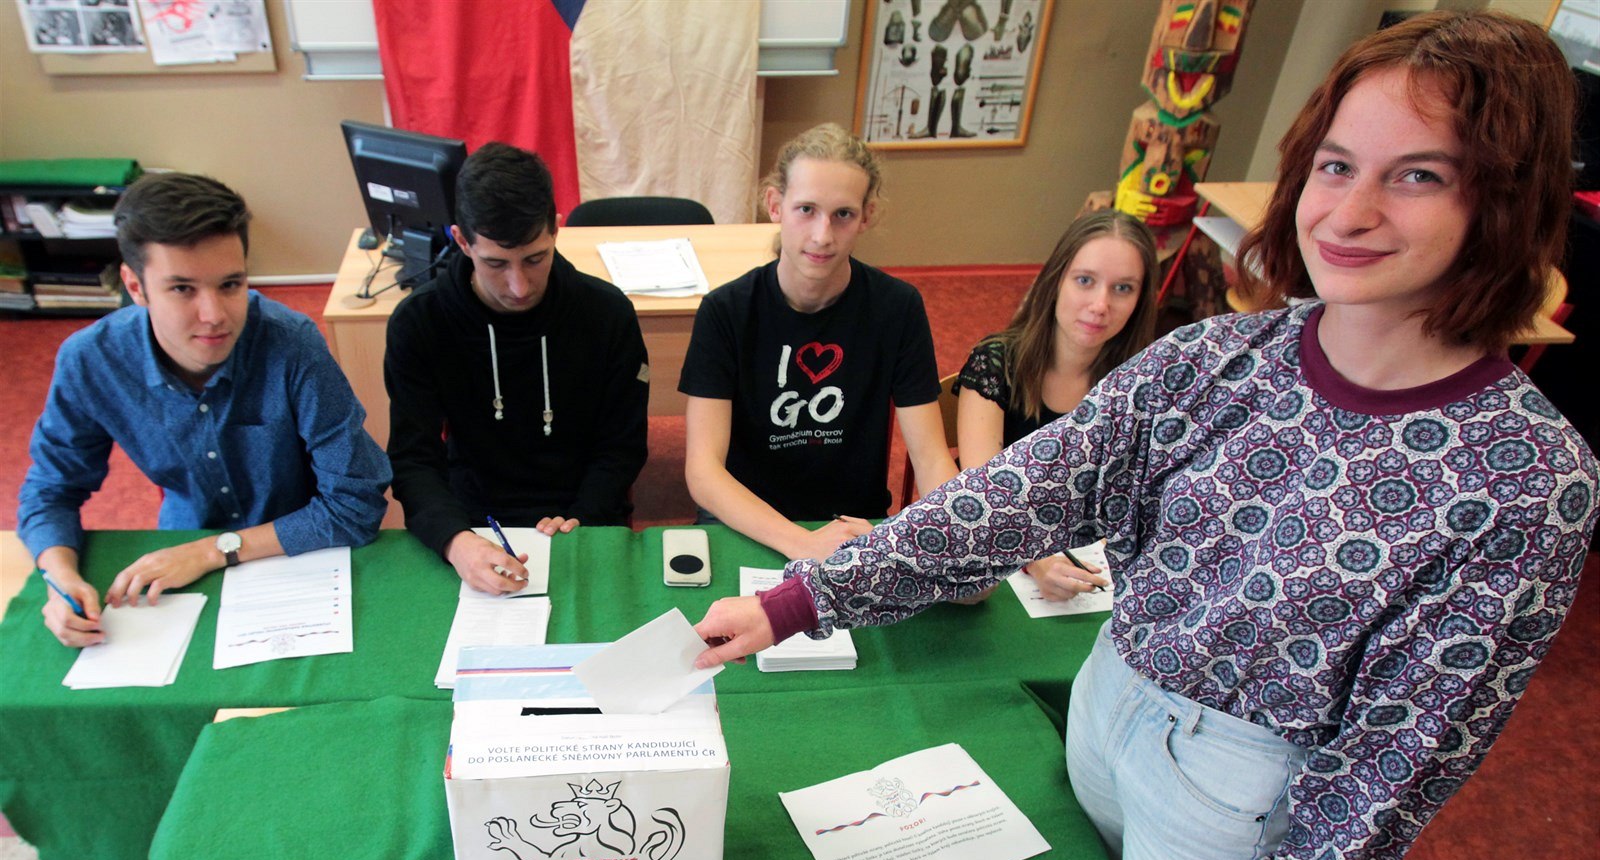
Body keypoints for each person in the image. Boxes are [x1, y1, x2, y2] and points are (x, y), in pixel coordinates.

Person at [692, 12, 1597, 860]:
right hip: (1108, 694)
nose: (1351, 211)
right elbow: (1012, 496)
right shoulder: (1215, 358)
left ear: (1505, 199)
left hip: (1239, 778)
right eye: (1337, 165)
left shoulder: (1524, 475)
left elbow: (1415, 734)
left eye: (1418, 176)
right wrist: (802, 598)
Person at [18, 172, 391, 649]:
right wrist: (59, 579)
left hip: (300, 549)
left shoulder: (292, 344)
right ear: (135, 286)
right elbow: (50, 488)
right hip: (180, 551)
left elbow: (356, 504)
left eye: (230, 284)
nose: (214, 315)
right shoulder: (91, 360)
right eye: (182, 289)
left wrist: (214, 551)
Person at [678, 123, 958, 561]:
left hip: (848, 525)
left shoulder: (897, 308)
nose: (822, 235)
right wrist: (802, 544)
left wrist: (963, 541)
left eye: (843, 214)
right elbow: (704, 471)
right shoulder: (726, 311)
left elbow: (931, 458)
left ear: (867, 216)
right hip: (746, 521)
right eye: (806, 209)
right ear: (775, 205)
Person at [385, 142, 649, 594]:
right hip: (471, 520)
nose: (519, 286)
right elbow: (413, 459)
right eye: (495, 263)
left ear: (555, 229)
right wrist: (455, 540)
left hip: (585, 513)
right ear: (461, 241)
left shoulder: (607, 314)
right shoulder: (420, 322)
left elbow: (622, 446)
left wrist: (583, 515)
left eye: (535, 258)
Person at [955, 210, 1157, 601]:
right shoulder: (997, 361)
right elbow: (987, 494)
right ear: (1056, 280)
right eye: (1085, 281)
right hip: (1001, 555)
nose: (1100, 305)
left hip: (1097, 569)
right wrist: (1036, 559)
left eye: (1123, 288)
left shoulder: (1142, 381)